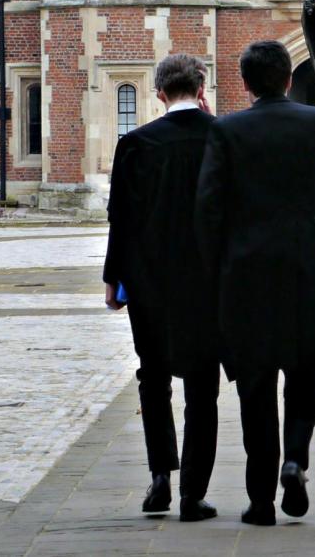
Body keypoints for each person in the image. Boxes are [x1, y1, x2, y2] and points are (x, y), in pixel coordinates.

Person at [196, 40, 315, 526]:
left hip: (246, 269)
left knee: (255, 384)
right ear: (287, 78)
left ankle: (260, 502)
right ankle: (295, 459)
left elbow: (209, 208)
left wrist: (215, 265)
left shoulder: (227, 129)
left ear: (245, 83)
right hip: (308, 261)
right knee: (306, 366)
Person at [102, 54, 221, 522]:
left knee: (153, 377)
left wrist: (114, 278)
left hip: (150, 281)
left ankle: (159, 480)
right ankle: (193, 493)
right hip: (208, 284)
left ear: (158, 94)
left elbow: (121, 218)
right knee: (202, 386)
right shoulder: (221, 137)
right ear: (201, 86)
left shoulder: (136, 143)